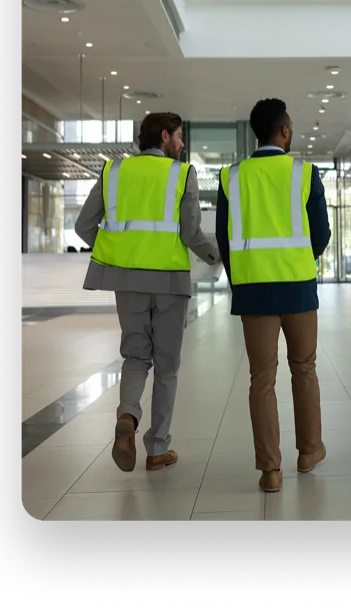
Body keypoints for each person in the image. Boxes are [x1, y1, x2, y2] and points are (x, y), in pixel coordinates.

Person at [75, 112, 219, 473]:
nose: (183, 145)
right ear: (165, 136)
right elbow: (190, 234)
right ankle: (156, 449)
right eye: (180, 137)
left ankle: (127, 414)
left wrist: (118, 255)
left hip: (127, 283)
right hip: (170, 281)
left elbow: (83, 226)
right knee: (167, 367)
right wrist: (218, 257)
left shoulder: (114, 172)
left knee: (136, 356)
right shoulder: (182, 174)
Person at [216, 98, 331, 493]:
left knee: (261, 379)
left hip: (254, 293)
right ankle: (309, 451)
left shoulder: (231, 177)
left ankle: (270, 470)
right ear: (283, 131)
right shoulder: (304, 174)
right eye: (291, 126)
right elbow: (322, 235)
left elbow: (224, 240)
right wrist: (298, 259)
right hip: (298, 288)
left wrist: (242, 278)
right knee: (305, 368)